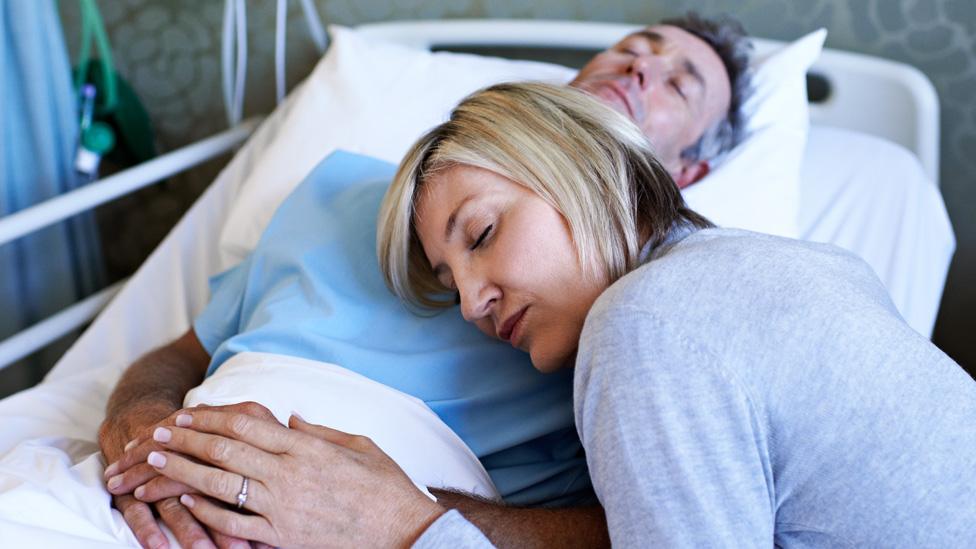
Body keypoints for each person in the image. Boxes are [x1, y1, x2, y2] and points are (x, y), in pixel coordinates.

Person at [134, 81, 976, 547]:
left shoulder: (649, 326)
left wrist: (407, 525)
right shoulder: (791, 269)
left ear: (578, 163)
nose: (471, 300)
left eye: (484, 232)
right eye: (449, 275)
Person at [98, 12, 753, 549]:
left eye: (680, 84)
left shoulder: (639, 322)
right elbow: (182, 353)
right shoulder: (341, 192)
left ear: (686, 175)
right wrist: (146, 430)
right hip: (146, 498)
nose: (470, 301)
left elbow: (648, 530)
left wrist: (394, 511)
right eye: (632, 48)